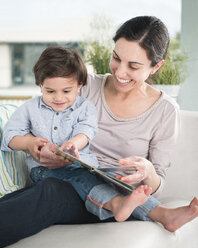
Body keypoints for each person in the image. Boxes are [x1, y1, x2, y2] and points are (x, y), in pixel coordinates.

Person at [0, 16, 198, 248]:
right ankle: (159, 213)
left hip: (115, 190)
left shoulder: (165, 111)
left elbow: (156, 182)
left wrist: (147, 171)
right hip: (67, 179)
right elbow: (41, 114)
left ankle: (154, 212)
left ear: (156, 66)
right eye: (116, 58)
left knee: (52, 193)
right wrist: (36, 146)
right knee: (45, 190)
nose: (120, 72)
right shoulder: (82, 85)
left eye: (133, 66)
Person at [1, 45, 152, 222]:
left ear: (79, 86)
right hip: (43, 171)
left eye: (66, 91)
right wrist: (29, 144)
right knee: (80, 178)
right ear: (40, 85)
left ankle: (159, 212)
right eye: (50, 91)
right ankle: (116, 205)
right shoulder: (30, 108)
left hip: (83, 167)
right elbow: (9, 135)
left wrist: (73, 144)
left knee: (116, 183)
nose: (58, 98)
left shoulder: (85, 107)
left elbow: (86, 131)